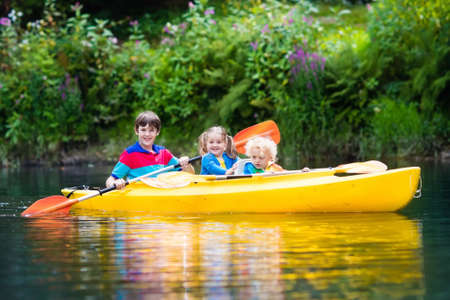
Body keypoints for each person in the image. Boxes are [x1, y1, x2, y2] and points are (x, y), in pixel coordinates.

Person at [105, 111, 194, 189]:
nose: (147, 134)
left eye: (151, 130)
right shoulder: (129, 154)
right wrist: (115, 183)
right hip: (138, 198)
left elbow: (190, 174)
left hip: (160, 194)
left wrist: (187, 164)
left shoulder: (164, 153)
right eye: (143, 130)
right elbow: (110, 180)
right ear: (137, 131)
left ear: (157, 132)